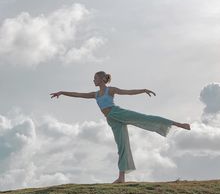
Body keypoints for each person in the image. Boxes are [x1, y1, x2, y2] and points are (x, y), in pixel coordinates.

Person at [50, 71, 191, 184]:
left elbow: (127, 92)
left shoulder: (110, 90)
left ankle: (180, 124)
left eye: (95, 78)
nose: (93, 80)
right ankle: (121, 178)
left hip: (117, 112)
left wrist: (142, 90)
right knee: (122, 147)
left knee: (145, 118)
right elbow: (78, 95)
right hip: (112, 120)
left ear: (102, 79)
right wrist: (62, 92)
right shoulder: (95, 94)